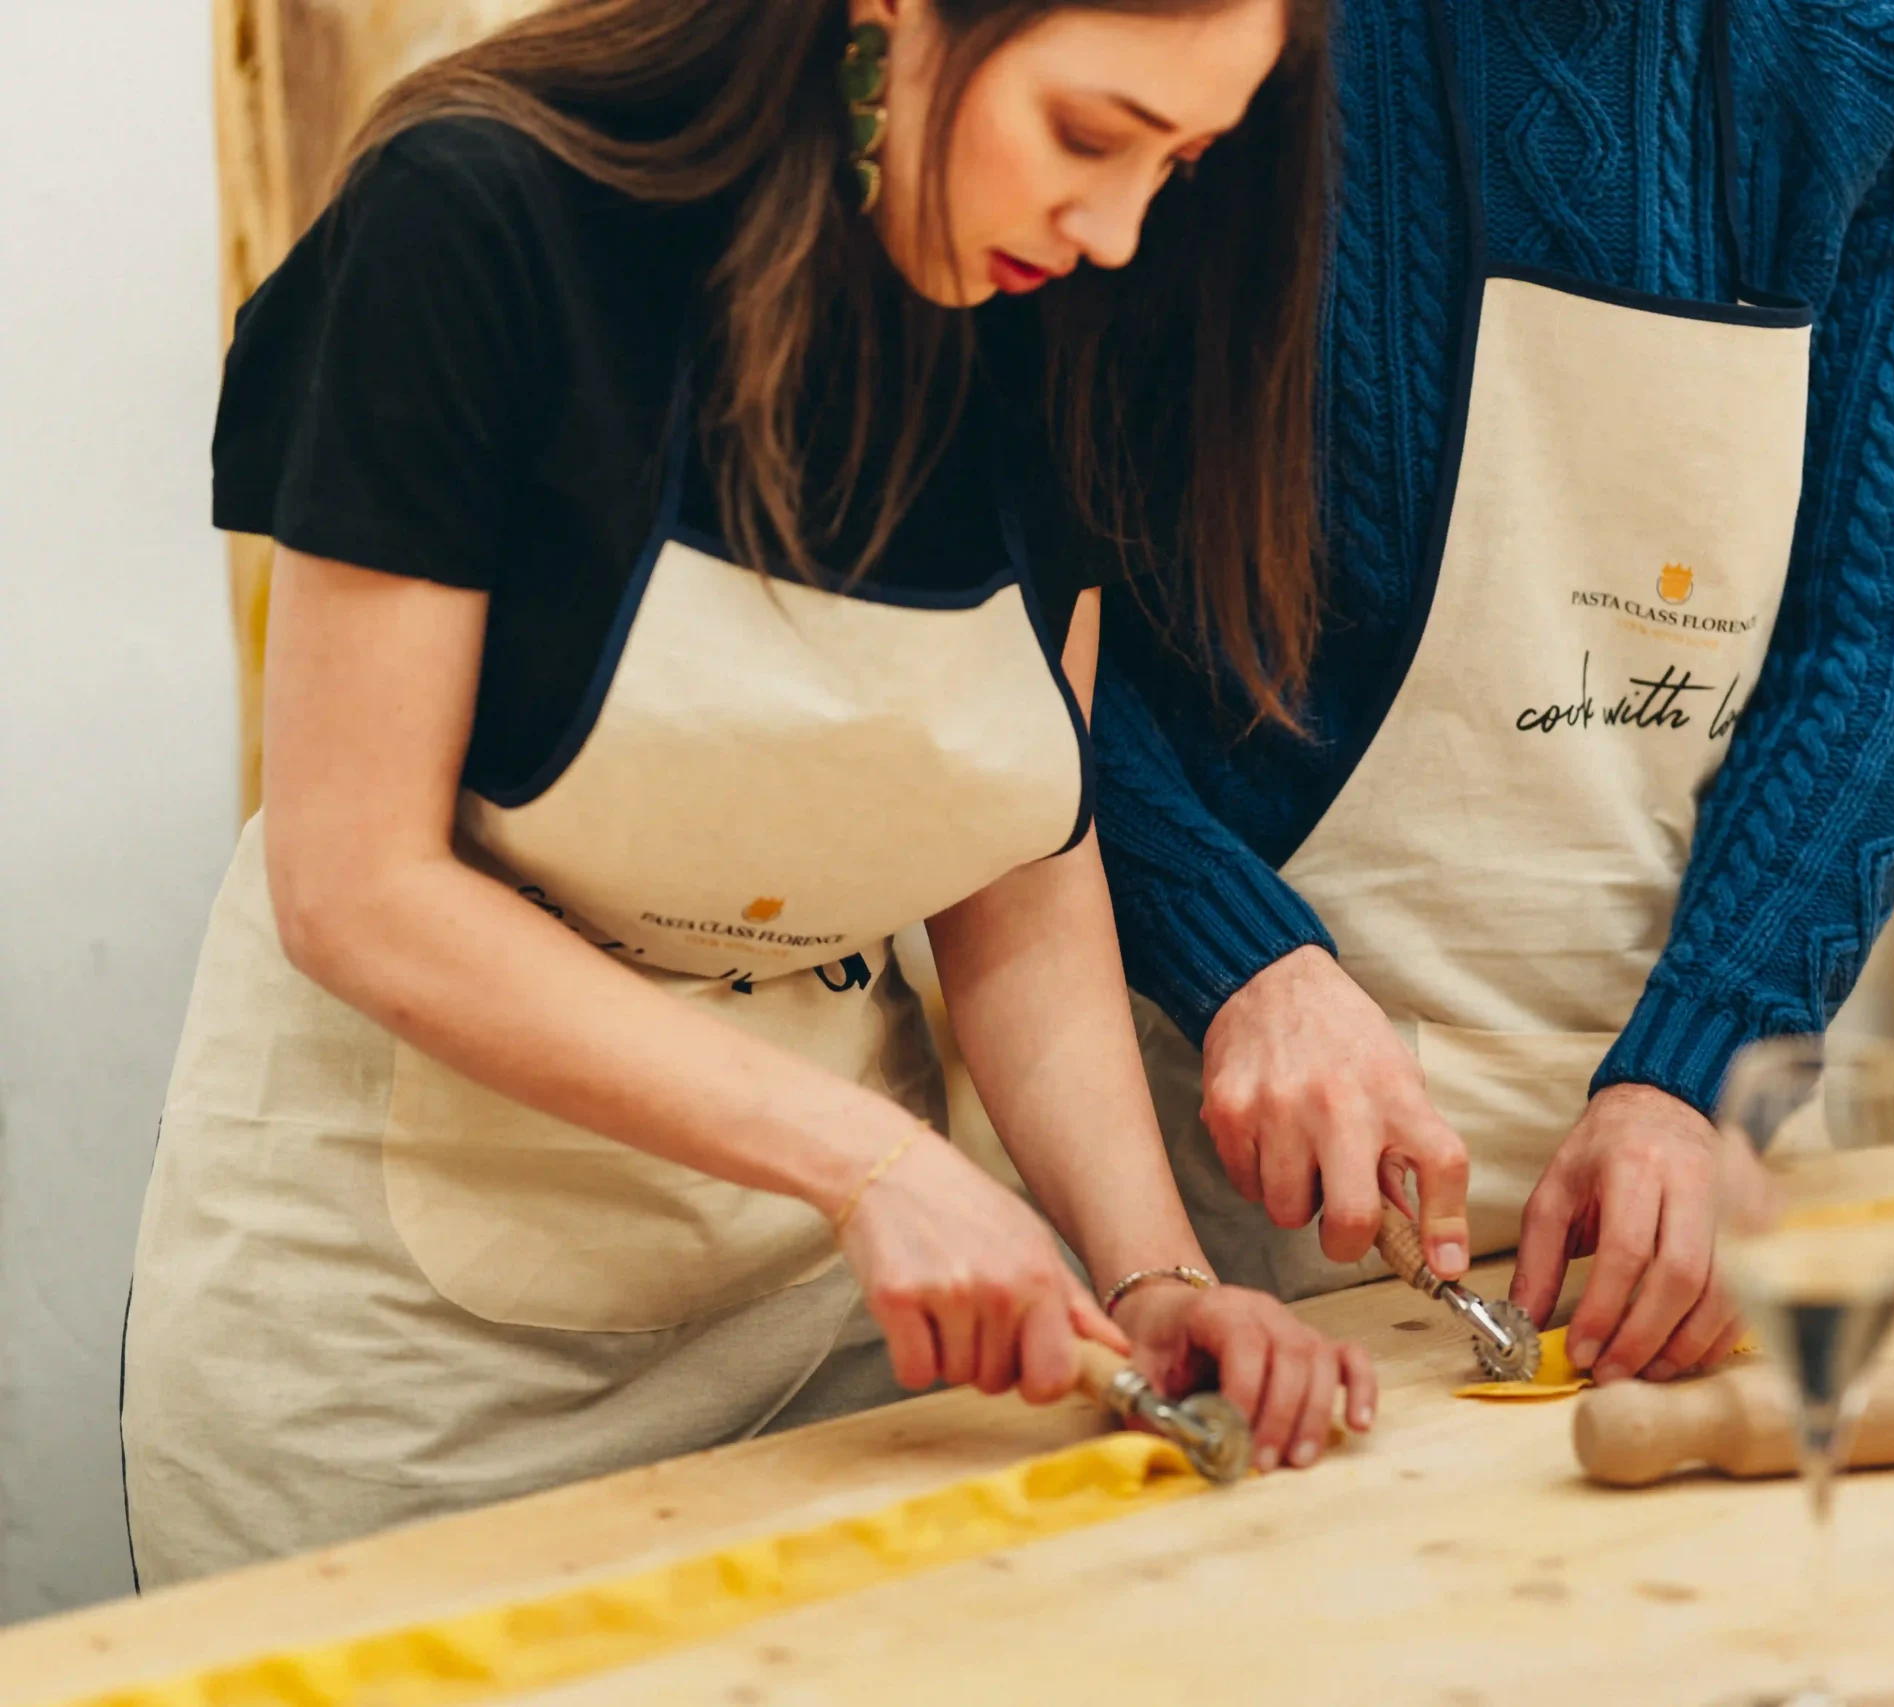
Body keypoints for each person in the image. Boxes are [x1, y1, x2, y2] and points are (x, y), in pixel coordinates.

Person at [123, 0, 1375, 1589]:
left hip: (835, 1342)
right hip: (395, 1365)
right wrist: (872, 1159)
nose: (1120, 229)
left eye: (1179, 164)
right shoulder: (476, 227)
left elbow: (1019, 869)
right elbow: (355, 884)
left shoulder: (1057, 310)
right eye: (1087, 135)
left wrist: (1154, 1277)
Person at [1090, 0, 1894, 1386]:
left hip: (1695, 1108)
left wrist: (1701, 1068)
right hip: (1226, 1107)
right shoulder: (1232, 32)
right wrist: (1232, 956)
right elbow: (1035, 622)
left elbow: (1873, 645)